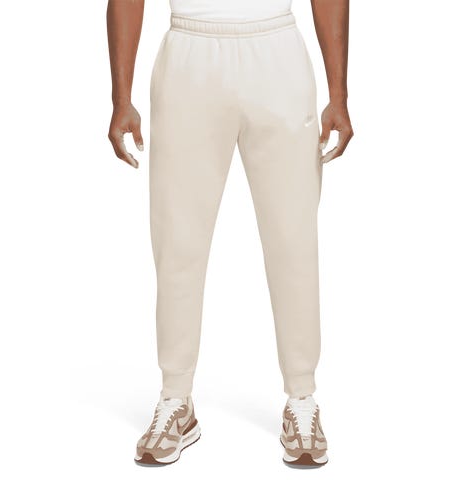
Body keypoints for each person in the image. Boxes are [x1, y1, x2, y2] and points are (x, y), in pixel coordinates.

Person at [107, 0, 353, 468]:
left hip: (276, 50)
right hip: (189, 53)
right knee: (178, 241)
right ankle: (176, 399)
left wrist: (338, 93)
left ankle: (302, 398)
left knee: (293, 240)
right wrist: (121, 97)